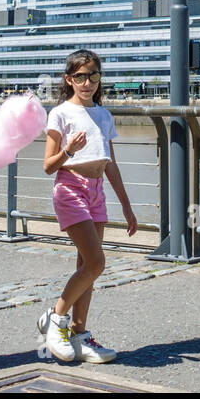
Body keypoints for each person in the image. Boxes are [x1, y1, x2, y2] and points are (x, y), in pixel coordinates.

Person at [36, 49, 136, 364]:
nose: (87, 82)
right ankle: (55, 317)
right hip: (70, 189)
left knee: (87, 269)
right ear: (69, 79)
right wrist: (69, 149)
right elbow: (49, 166)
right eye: (80, 76)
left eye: (93, 75)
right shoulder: (61, 113)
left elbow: (111, 164)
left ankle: (80, 335)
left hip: (97, 192)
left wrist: (127, 206)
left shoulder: (104, 115)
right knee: (96, 263)